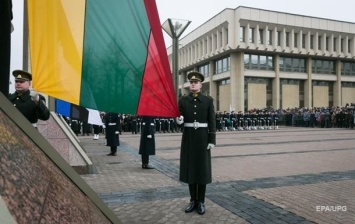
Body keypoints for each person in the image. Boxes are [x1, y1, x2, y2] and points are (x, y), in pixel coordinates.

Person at [176, 71, 216, 215]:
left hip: (203, 139)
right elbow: (179, 119)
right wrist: (179, 121)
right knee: (191, 169)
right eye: (191, 82)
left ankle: (201, 201)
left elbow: (212, 121)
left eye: (196, 82)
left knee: (202, 170)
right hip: (188, 138)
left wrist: (212, 140)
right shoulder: (183, 100)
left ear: (200, 85)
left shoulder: (208, 100)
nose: (193, 84)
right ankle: (193, 200)